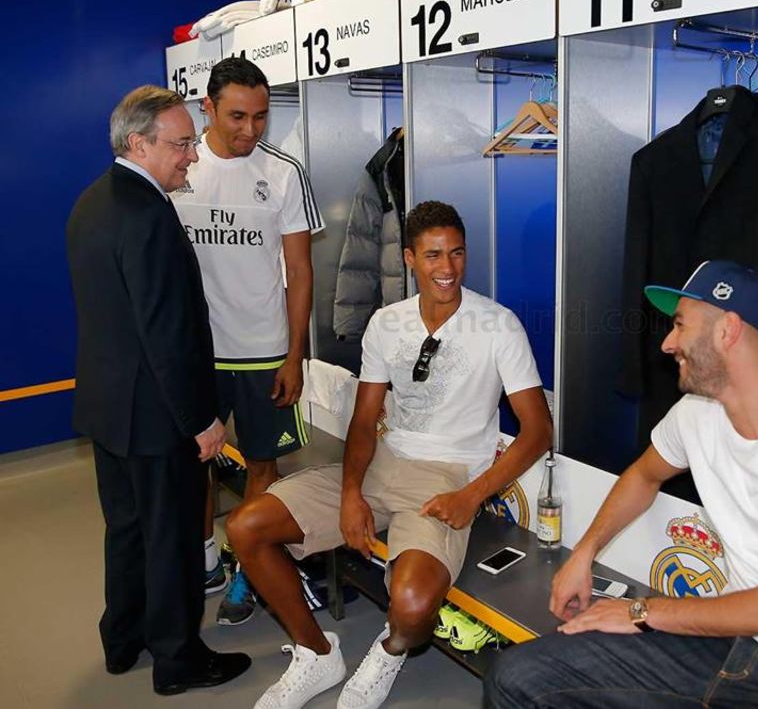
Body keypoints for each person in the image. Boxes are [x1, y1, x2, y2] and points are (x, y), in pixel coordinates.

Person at [485, 260, 758, 709]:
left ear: (727, 330)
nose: (667, 343)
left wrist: (641, 611)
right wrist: (584, 553)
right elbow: (643, 475)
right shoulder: (697, 413)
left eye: (679, 325)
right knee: (517, 676)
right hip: (731, 643)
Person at [227, 200, 553, 709]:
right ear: (409, 258)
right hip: (381, 463)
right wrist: (351, 493)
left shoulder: (498, 325)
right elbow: (364, 422)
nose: (447, 267)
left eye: (457, 253)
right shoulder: (386, 322)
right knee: (247, 526)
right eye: (433, 255)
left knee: (413, 605)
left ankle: (389, 649)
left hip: (446, 479)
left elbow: (538, 431)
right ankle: (317, 653)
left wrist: (471, 496)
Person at [66, 85, 251, 695]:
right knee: (170, 539)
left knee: (127, 531)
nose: (192, 155)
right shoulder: (148, 215)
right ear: (138, 144)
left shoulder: (92, 202)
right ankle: (178, 660)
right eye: (181, 144)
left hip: (109, 411)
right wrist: (200, 420)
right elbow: (165, 333)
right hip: (156, 418)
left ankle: (123, 641)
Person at [171, 57, 323, 625]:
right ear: (206, 108)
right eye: (237, 116)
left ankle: (247, 571)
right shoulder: (178, 167)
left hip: (265, 351)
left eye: (261, 117)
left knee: (263, 466)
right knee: (195, 466)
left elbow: (300, 271)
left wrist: (295, 354)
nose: (250, 129)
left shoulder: (283, 172)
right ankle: (206, 559)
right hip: (197, 353)